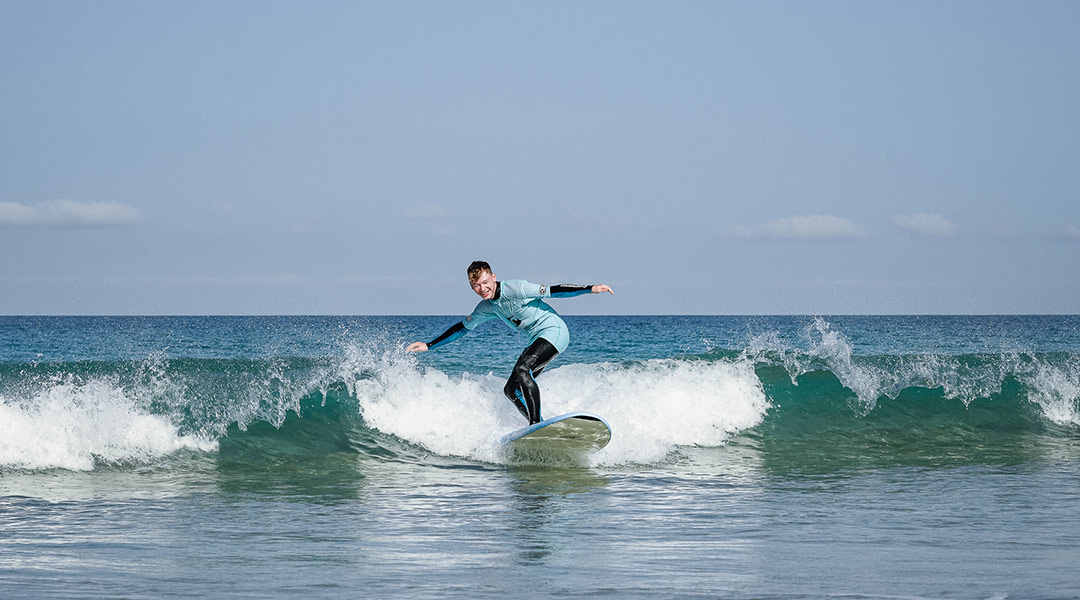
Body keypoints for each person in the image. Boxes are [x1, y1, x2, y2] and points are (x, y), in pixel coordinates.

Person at [407, 261, 614, 425]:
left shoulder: (516, 288)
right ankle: (540, 424)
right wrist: (429, 345)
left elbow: (554, 290)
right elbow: (462, 328)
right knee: (511, 390)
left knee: (524, 369)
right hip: (538, 339)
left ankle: (534, 424)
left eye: (485, 282)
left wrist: (590, 288)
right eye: (476, 285)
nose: (482, 288)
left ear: (494, 277)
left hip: (554, 332)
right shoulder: (486, 308)